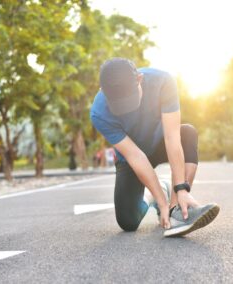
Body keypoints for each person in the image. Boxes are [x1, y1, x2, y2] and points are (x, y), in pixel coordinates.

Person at [89, 58, 220, 237]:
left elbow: (172, 137)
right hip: (131, 156)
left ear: (140, 79)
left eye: (131, 99)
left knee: (187, 134)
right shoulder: (98, 113)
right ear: (102, 91)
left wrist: (181, 189)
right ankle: (162, 193)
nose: (127, 109)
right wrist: (160, 200)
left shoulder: (163, 82)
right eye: (120, 104)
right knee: (128, 222)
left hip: (161, 143)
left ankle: (177, 212)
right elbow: (135, 156)